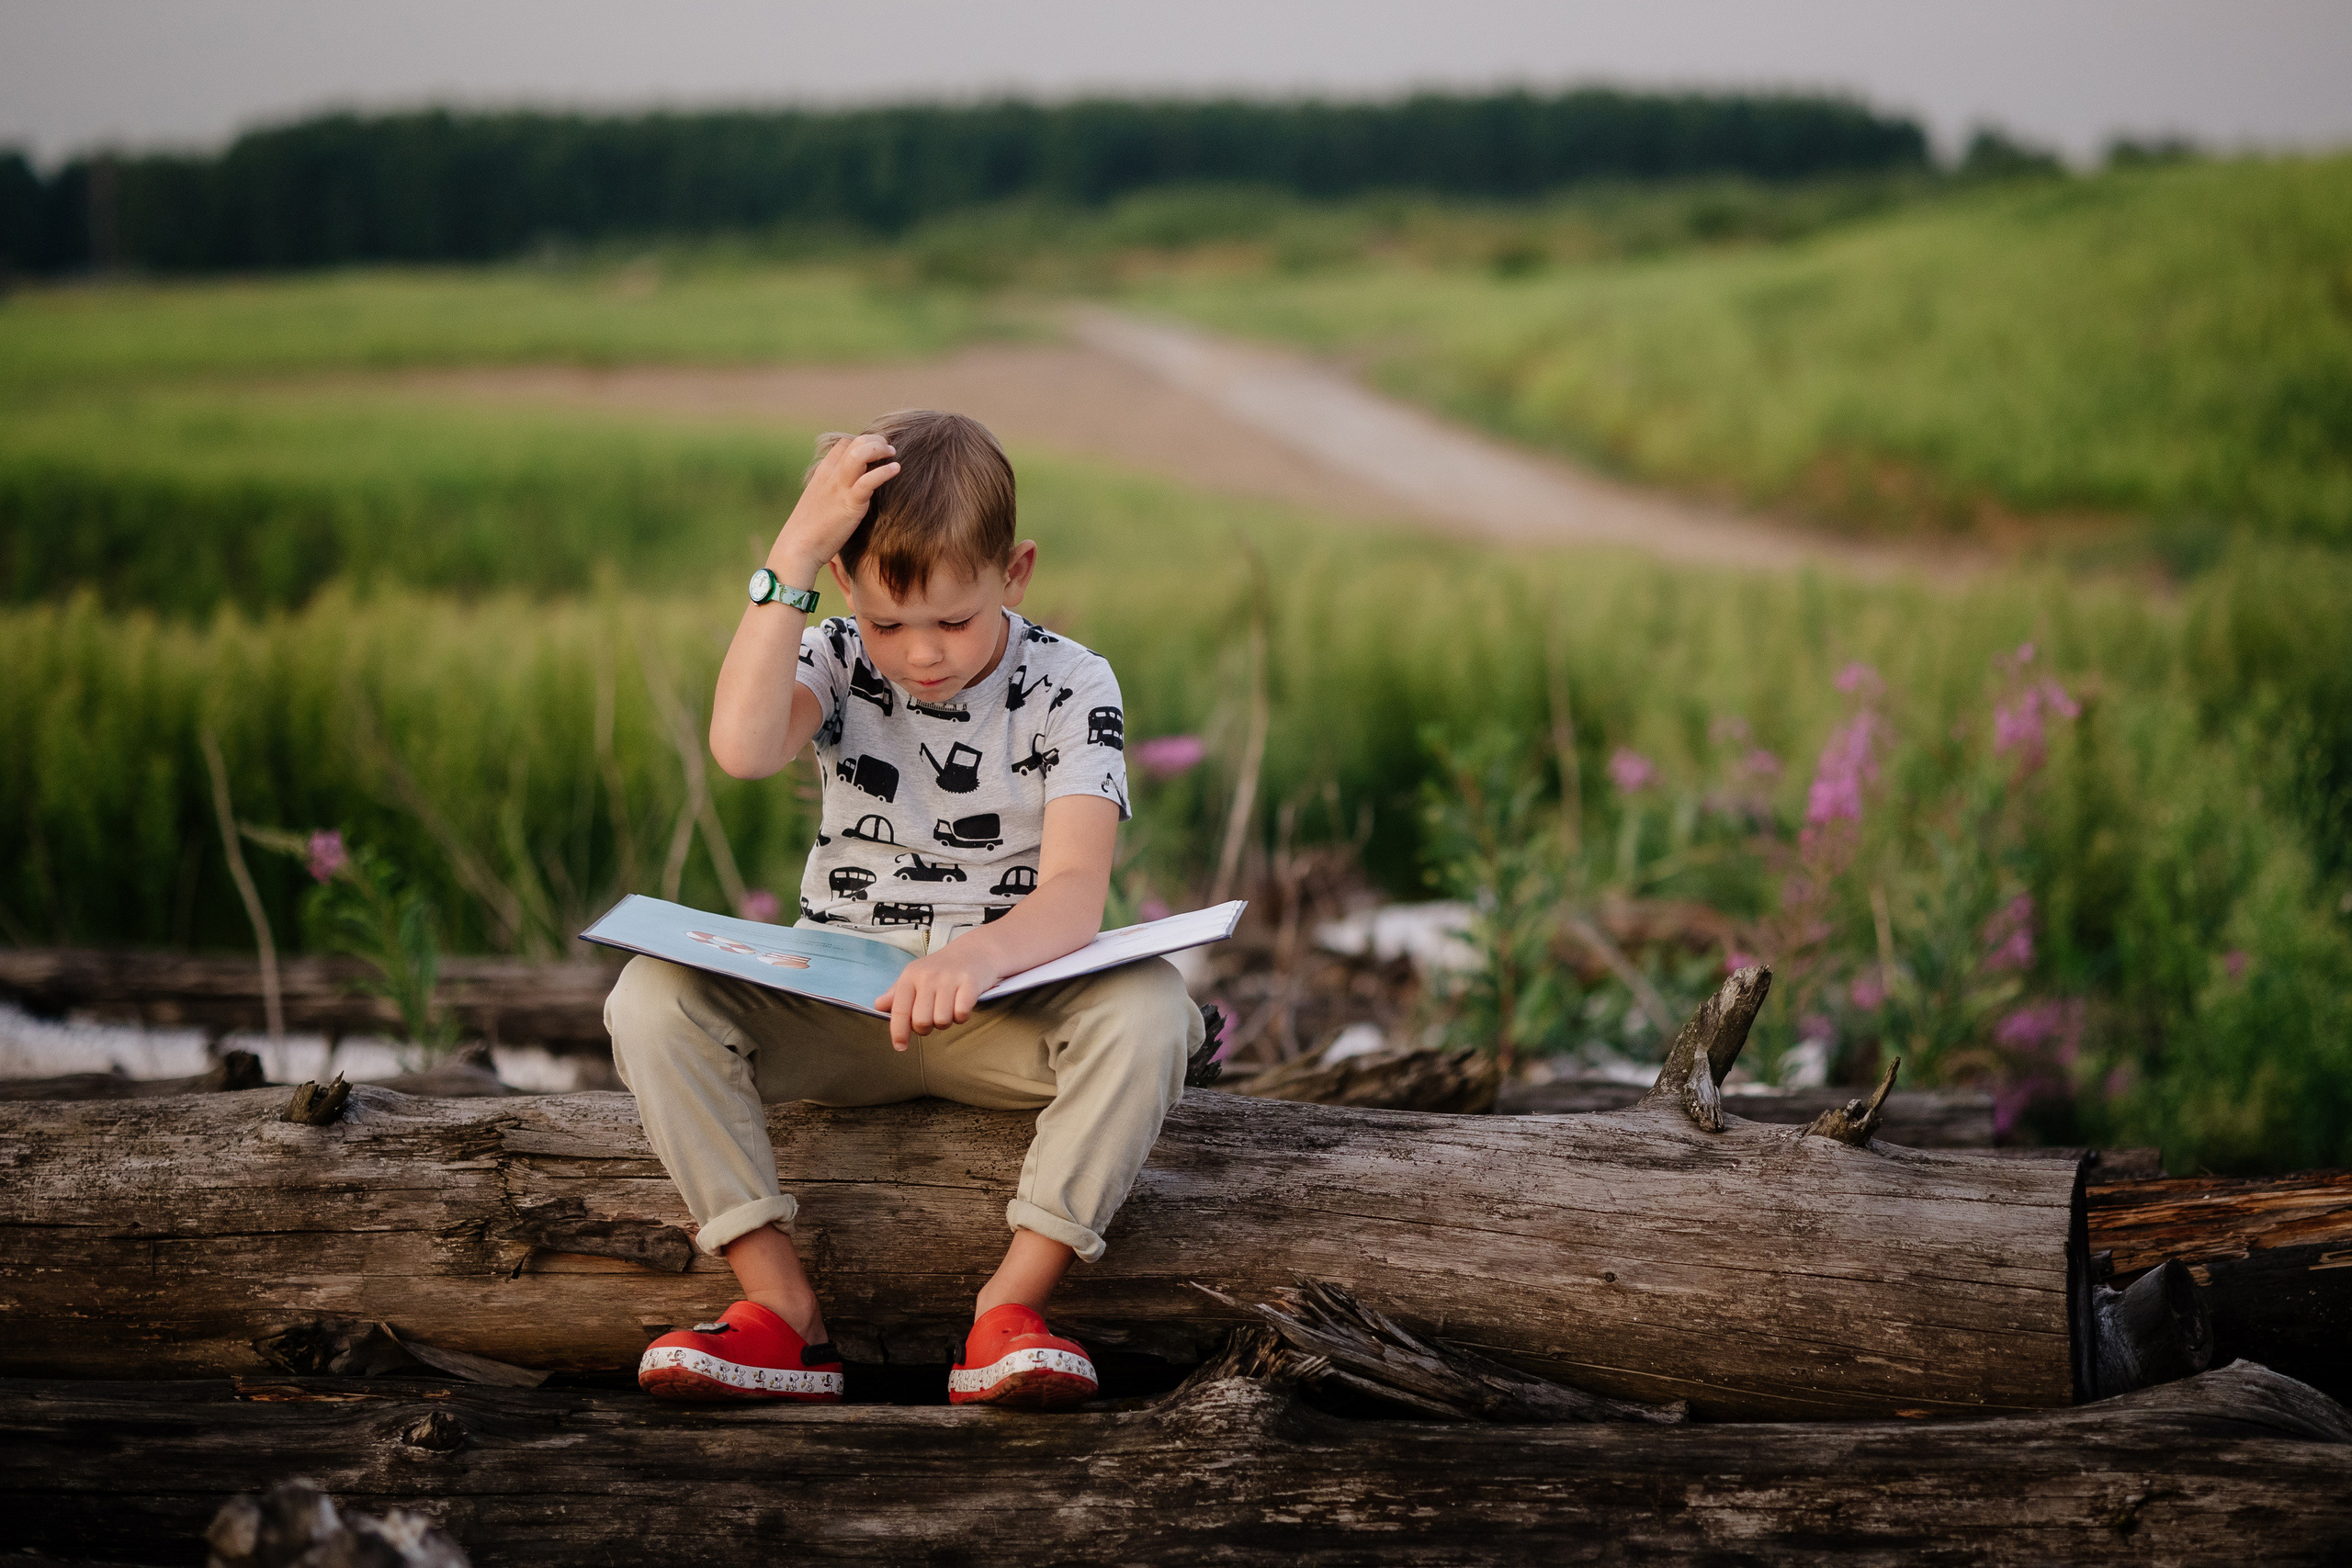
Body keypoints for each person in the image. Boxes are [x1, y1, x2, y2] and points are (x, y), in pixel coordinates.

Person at [605, 409, 1202, 1409]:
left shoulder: (1070, 681)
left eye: (953, 621)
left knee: (1151, 1010)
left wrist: (976, 960)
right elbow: (745, 749)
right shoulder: (834, 656)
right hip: (843, 1013)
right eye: (889, 623)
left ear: (1015, 573)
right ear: (845, 589)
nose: (921, 654)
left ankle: (1009, 1310)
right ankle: (781, 1312)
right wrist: (792, 555)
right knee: (648, 997)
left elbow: (1072, 895)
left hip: (1005, 1015)